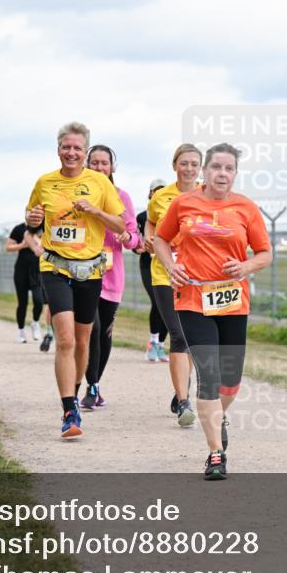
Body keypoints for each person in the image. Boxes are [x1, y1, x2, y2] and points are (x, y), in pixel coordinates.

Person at [153, 142, 272, 480]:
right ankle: (215, 454)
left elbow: (265, 253)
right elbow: (161, 239)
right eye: (216, 167)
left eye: (229, 168)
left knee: (230, 383)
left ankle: (218, 417)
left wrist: (245, 266)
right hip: (192, 298)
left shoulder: (246, 208)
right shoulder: (183, 203)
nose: (222, 173)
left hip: (232, 301)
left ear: (235, 174)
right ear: (204, 171)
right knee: (209, 376)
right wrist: (171, 265)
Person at [24, 121, 126, 438]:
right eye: (66, 147)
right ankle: (69, 410)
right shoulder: (45, 182)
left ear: (85, 152)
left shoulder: (99, 182)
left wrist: (95, 211)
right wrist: (32, 218)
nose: (71, 152)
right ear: (58, 149)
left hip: (89, 271)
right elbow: (31, 216)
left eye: (77, 148)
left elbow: (120, 224)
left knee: (82, 342)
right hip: (55, 267)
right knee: (66, 339)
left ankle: (76, 389)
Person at [79, 145, 142, 410]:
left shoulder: (121, 197)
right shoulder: (78, 194)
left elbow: (135, 238)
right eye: (94, 162)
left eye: (104, 163)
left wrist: (127, 237)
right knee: (90, 329)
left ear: (112, 167)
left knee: (104, 332)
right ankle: (90, 384)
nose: (99, 167)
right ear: (86, 165)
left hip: (111, 275)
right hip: (83, 272)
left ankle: (94, 386)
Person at [146, 143, 202, 426]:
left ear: (200, 168)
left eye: (194, 164)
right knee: (179, 335)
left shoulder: (208, 195)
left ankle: (182, 385)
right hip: (164, 273)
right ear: (174, 166)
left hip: (197, 275)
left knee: (191, 337)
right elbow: (151, 223)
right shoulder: (161, 197)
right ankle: (183, 402)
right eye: (184, 163)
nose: (189, 168)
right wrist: (149, 238)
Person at [134, 179, 169, 362]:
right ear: (150, 194)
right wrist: (138, 248)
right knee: (157, 302)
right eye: (156, 190)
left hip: (167, 264)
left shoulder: (171, 214)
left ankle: (161, 345)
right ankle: (153, 342)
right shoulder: (142, 217)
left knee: (169, 305)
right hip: (148, 265)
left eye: (163, 190)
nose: (159, 194)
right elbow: (136, 240)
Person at [6, 221, 50, 344]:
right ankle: (21, 331)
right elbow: (8, 247)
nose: (32, 214)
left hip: (37, 271)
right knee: (22, 303)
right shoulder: (19, 229)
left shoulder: (44, 228)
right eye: (29, 212)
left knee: (39, 300)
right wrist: (22, 245)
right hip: (21, 270)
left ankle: (35, 322)